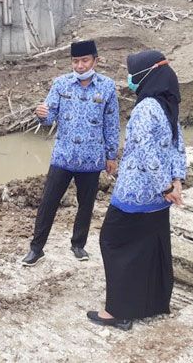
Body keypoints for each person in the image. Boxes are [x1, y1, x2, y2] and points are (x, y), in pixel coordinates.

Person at [87, 49, 186, 331]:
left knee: (112, 242)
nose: (129, 79)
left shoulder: (145, 108)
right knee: (149, 247)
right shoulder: (169, 105)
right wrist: (175, 181)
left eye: (132, 73)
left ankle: (115, 312)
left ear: (145, 75)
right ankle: (152, 303)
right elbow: (178, 145)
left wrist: (166, 184)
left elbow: (145, 150)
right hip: (159, 198)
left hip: (135, 194)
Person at [22, 40, 120, 266]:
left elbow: (111, 124)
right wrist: (41, 114)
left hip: (92, 158)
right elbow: (48, 118)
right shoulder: (61, 84)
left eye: (85, 61)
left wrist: (111, 156)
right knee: (48, 203)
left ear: (95, 60)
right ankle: (36, 249)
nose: (80, 66)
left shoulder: (106, 87)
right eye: (75, 61)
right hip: (63, 156)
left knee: (85, 204)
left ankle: (78, 245)